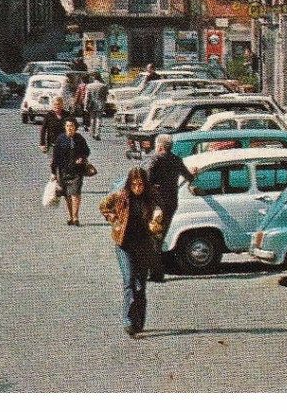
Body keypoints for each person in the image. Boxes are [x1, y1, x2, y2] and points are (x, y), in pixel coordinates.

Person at [99, 166, 165, 337]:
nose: (138, 187)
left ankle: (138, 320)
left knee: (140, 285)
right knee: (129, 280)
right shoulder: (121, 196)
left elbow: (159, 208)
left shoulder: (151, 197)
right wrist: (112, 217)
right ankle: (128, 320)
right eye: (134, 184)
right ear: (129, 184)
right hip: (124, 245)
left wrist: (157, 216)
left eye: (140, 184)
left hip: (143, 245)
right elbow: (104, 206)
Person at [145, 134, 192, 281]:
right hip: (171, 202)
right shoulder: (176, 160)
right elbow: (189, 176)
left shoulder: (156, 159)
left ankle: (155, 272)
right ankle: (155, 271)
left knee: (152, 236)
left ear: (159, 146)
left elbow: (147, 179)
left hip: (156, 203)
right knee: (159, 235)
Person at [50, 117, 92, 226]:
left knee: (76, 193)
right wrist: (53, 173)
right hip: (63, 171)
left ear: (75, 127)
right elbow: (55, 158)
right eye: (68, 126)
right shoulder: (60, 139)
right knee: (67, 194)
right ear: (65, 127)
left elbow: (87, 151)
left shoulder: (79, 139)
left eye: (72, 126)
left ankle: (76, 217)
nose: (70, 128)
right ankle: (70, 216)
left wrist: (82, 158)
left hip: (77, 171)